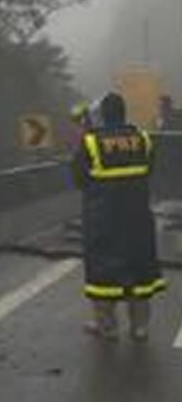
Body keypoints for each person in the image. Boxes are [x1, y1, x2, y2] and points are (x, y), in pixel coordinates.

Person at [71, 92, 164, 341]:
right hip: (137, 219)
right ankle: (140, 327)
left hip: (104, 221)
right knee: (140, 272)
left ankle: (107, 326)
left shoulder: (91, 141)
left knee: (104, 276)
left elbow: (79, 178)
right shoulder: (142, 138)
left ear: (101, 114)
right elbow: (150, 169)